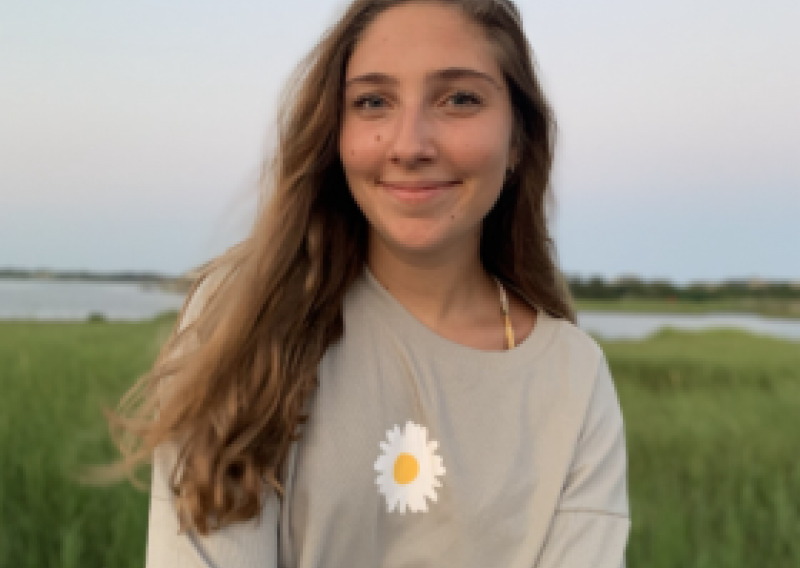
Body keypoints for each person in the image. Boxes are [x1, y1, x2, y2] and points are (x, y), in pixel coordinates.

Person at [109, 0, 630, 565]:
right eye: (373, 102)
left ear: (519, 139)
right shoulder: (243, 318)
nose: (410, 145)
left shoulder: (573, 378)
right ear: (337, 132)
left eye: (459, 99)